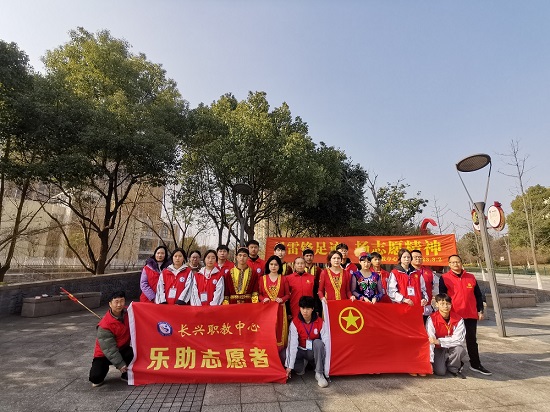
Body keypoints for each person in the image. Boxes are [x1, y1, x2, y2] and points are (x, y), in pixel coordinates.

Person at [439, 254, 492, 376]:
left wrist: (480, 310)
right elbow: (442, 297)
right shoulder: (445, 278)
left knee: (471, 340)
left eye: (457, 262)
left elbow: (478, 295)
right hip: (454, 315)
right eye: (452, 262)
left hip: (470, 314)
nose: (455, 264)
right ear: (449, 264)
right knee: (454, 340)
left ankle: (475, 364)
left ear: (461, 263)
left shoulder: (470, 277)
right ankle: (455, 363)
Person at [89, 291, 133, 387]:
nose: (119, 305)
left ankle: (126, 374)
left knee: (132, 353)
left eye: (122, 301)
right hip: (104, 354)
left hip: (122, 349)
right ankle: (104, 369)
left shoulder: (129, 313)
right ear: (110, 304)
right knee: (95, 378)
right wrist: (120, 364)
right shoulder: (104, 325)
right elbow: (109, 349)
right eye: (116, 302)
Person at [285, 296, 329, 388]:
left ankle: (319, 373)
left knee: (319, 343)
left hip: (312, 352)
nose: (305, 311)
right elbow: (292, 344)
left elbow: (327, 343)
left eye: (308, 309)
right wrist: (289, 367)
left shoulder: (320, 322)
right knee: (283, 355)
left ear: (312, 309)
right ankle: (301, 367)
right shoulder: (295, 322)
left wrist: (327, 369)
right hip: (300, 350)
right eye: (303, 308)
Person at [426, 293, 467, 379]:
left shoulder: (458, 319)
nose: (445, 306)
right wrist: (429, 361)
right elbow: (431, 340)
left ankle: (453, 368)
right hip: (438, 348)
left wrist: (439, 341)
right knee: (440, 372)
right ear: (436, 304)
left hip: (451, 346)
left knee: (459, 349)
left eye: (448, 304)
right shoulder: (432, 319)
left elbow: (459, 340)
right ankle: (444, 361)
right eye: (442, 304)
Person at [259, 255, 290, 355]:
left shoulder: (284, 279)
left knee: (279, 331)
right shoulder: (262, 279)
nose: (273, 267)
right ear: (268, 265)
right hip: (266, 310)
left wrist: (282, 299)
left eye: (276, 265)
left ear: (279, 266)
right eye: (271, 264)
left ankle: (280, 354)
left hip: (280, 309)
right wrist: (263, 299)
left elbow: (288, 294)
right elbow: (259, 294)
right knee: (268, 330)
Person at [411, 249, 436, 319]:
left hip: (427, 307)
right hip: (411, 307)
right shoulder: (405, 272)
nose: (418, 259)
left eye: (420, 257)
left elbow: (435, 288)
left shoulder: (429, 272)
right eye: (415, 257)